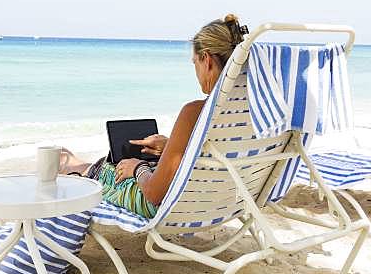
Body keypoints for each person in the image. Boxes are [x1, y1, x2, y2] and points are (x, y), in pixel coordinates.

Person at [58, 14, 248, 218]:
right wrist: (171, 146)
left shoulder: (194, 112)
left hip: (169, 204)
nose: (196, 71)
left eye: (195, 63)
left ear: (207, 61)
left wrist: (137, 168)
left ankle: (76, 168)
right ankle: (78, 165)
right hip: (224, 201)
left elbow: (155, 194)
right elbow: (216, 155)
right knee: (102, 162)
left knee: (99, 166)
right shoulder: (255, 112)